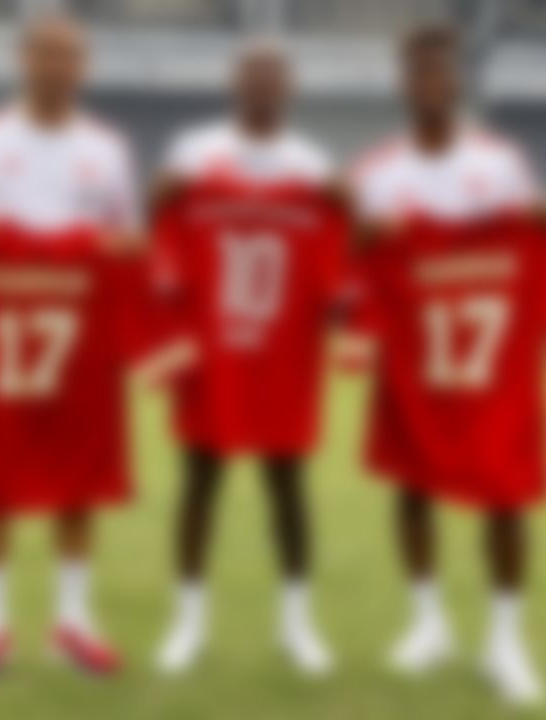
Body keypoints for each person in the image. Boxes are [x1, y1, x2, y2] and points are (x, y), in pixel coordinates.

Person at [346, 23, 546, 705]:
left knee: (507, 501)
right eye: (418, 73)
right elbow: (343, 267)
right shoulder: (372, 173)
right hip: (414, 370)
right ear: (402, 84)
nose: (430, 84)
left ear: (457, 83)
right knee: (411, 490)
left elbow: (545, 242)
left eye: (441, 73)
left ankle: (506, 640)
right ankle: (428, 624)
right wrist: (360, 242)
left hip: (496, 372)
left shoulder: (504, 163)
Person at [0, 12, 144, 683]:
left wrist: (83, 252)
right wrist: (0, 241)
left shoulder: (107, 147)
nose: (57, 67)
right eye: (45, 55)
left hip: (79, 345)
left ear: (86, 68)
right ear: (22, 61)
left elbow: (128, 245)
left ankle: (73, 622)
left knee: (81, 484)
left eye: (70, 57)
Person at [150, 38, 347, 676]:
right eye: (252, 74)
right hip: (211, 350)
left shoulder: (315, 169)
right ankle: (188, 623)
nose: (262, 84)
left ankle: (297, 623)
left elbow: (344, 267)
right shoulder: (193, 154)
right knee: (199, 480)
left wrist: (348, 208)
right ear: (233, 82)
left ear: (290, 87)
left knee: (287, 485)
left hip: (284, 355)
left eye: (274, 75)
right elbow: (155, 232)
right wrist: (161, 195)